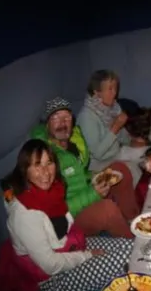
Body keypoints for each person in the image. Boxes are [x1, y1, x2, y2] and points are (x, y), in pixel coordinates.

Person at [0, 139, 133, 291]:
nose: (45, 172)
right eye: (37, 165)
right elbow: (50, 265)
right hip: (55, 279)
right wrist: (87, 255)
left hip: (70, 246)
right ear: (25, 169)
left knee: (133, 246)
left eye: (49, 163)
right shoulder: (24, 215)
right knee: (126, 257)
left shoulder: (53, 191)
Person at [31, 97, 140, 238]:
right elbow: (54, 208)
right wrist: (93, 194)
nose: (63, 123)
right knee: (107, 210)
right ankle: (132, 243)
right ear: (46, 124)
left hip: (87, 193)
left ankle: (135, 223)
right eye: (56, 118)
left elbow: (77, 175)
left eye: (67, 117)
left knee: (119, 169)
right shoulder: (43, 156)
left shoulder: (72, 142)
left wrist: (94, 176)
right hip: (69, 218)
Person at [76, 69, 148, 186]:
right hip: (99, 164)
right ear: (97, 92)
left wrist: (132, 141)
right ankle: (139, 194)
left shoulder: (112, 107)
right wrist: (115, 127)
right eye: (110, 89)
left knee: (147, 152)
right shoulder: (87, 117)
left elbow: (121, 134)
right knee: (132, 170)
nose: (114, 93)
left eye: (115, 88)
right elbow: (98, 153)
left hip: (116, 153)